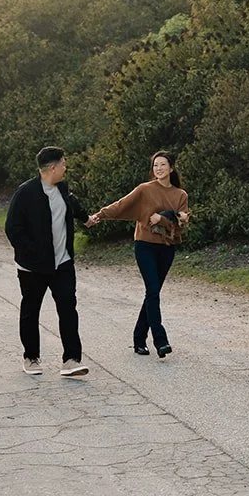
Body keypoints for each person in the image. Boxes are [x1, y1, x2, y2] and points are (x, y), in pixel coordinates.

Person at [88, 150, 190, 359]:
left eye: (162, 165)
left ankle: (138, 338)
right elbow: (122, 204)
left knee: (152, 294)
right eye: (155, 165)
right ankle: (160, 341)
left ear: (171, 168)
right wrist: (101, 214)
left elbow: (181, 223)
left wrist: (162, 219)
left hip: (167, 247)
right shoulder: (145, 189)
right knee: (152, 290)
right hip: (144, 245)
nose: (159, 169)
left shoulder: (180, 195)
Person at [4, 146, 93, 377]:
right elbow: (13, 228)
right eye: (63, 163)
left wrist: (87, 218)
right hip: (32, 267)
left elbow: (71, 204)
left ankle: (71, 360)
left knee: (68, 308)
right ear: (52, 167)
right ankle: (31, 357)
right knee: (31, 311)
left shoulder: (62, 188)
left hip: (62, 263)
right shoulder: (25, 193)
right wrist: (31, 253)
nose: (66, 167)